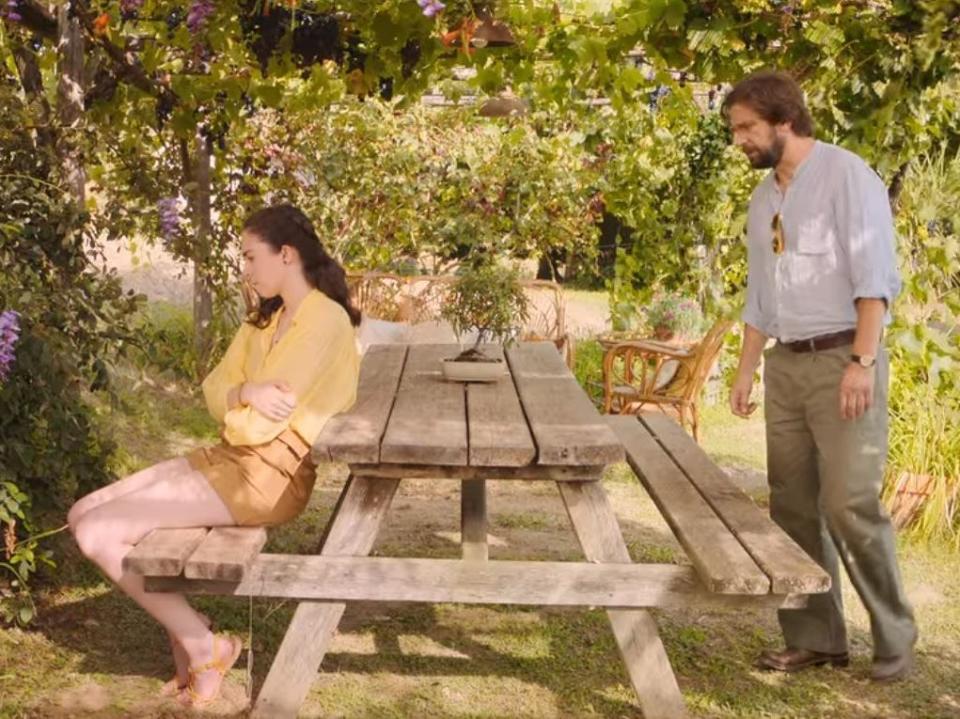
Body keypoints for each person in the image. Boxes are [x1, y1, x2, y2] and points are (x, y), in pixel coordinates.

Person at [67, 203, 361, 706]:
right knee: (82, 513)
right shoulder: (267, 320)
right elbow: (214, 387)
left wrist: (237, 402)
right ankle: (192, 628)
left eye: (251, 257)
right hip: (233, 460)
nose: (245, 269)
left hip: (270, 476)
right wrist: (244, 393)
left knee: (99, 532)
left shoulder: (323, 322)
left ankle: (207, 646)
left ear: (286, 254)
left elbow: (257, 426)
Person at [723, 71, 917, 682]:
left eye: (747, 128)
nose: (739, 142)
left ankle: (895, 634)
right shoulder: (764, 199)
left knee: (849, 502)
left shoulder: (846, 177)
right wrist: (747, 370)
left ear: (785, 121)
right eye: (735, 130)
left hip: (841, 362)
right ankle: (816, 639)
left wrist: (861, 363)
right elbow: (761, 293)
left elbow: (873, 281)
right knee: (794, 507)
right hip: (786, 365)